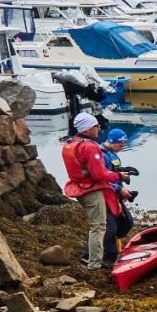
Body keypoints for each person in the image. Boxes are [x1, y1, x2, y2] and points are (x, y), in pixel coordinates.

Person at [61, 112, 125, 271]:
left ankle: (94, 260)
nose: (99, 128)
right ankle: (94, 264)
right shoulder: (90, 147)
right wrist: (118, 176)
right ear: (88, 128)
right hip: (91, 190)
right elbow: (99, 174)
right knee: (99, 227)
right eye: (96, 125)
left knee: (97, 226)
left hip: (78, 187)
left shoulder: (70, 143)